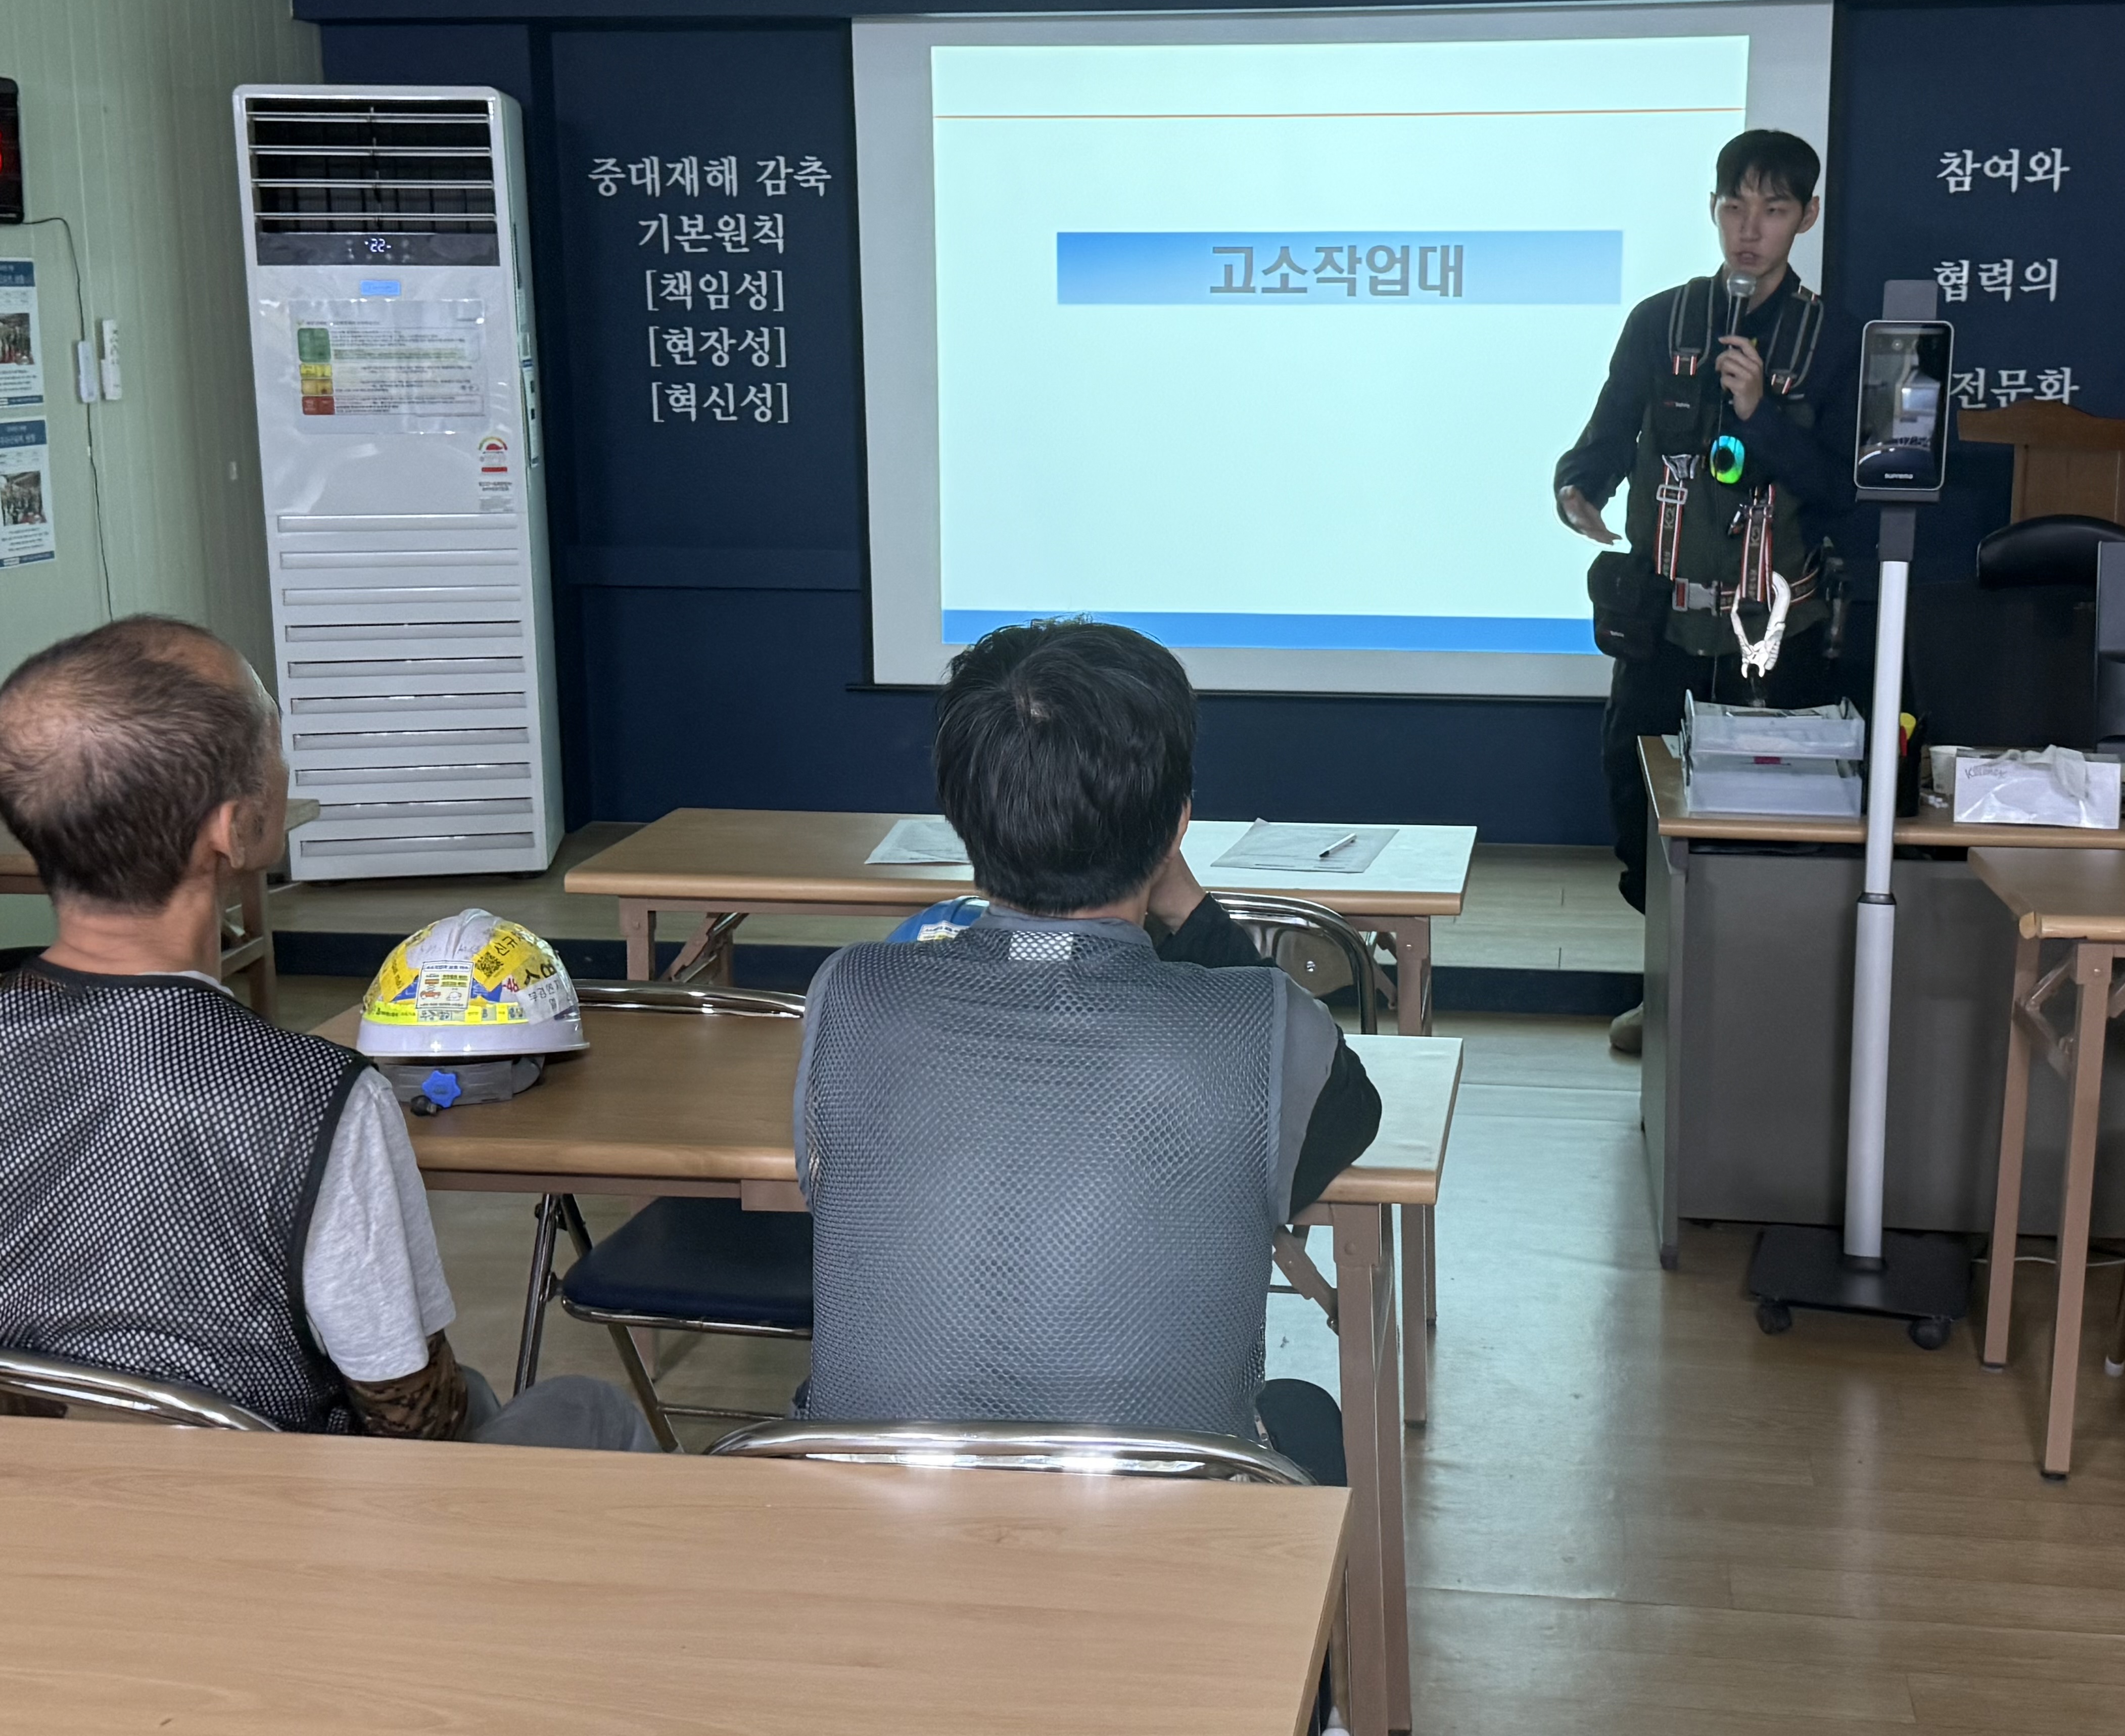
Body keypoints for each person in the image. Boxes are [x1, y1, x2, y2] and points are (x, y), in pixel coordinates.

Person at [0, 616, 649, 1449]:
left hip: (41, 1493)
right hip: (269, 1508)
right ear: (233, 830)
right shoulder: (315, 1098)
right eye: (272, 742)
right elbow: (413, 1415)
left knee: (486, 1394)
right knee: (586, 1408)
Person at [795, 618, 1382, 1484]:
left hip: (881, 1512)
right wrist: (1183, 898)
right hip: (1152, 1521)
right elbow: (1350, 1117)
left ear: (961, 818)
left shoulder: (850, 995)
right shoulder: (1265, 1023)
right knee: (1307, 1416)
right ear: (1177, 826)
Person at [1554, 129, 1856, 1049]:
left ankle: (1756, 1009)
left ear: (1807, 217)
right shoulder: (1662, 321)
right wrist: (1578, 486)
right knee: (1639, 807)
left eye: (1773, 209)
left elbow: (1841, 484)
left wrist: (1761, 413)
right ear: (1714, 210)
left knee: (1768, 824)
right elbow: (1608, 432)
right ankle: (1672, 994)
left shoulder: (1832, 340)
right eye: (1735, 207)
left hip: (1776, 631)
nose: (1749, 229)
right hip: (1665, 623)